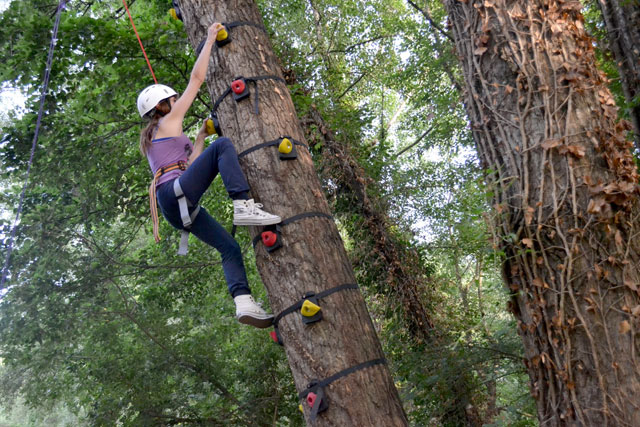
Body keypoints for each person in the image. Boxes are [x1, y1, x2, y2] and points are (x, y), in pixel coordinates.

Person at [137, 22, 278, 328]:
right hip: (175, 193)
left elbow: (192, 165)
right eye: (173, 101)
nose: (178, 103)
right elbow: (197, 79)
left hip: (176, 204)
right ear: (163, 106)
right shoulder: (169, 121)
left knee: (228, 246)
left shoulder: (156, 137)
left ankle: (243, 303)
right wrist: (211, 38)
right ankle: (242, 204)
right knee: (224, 144)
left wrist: (200, 135)